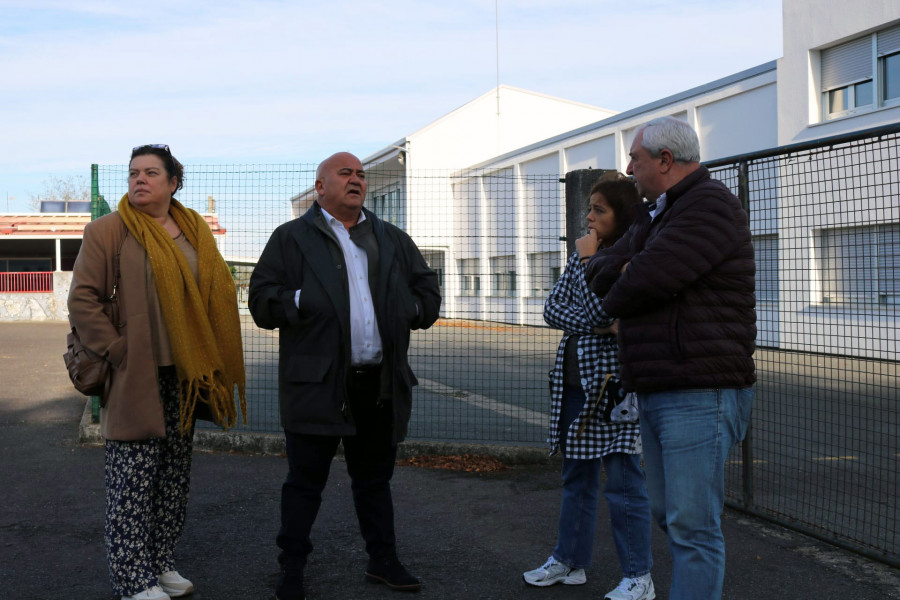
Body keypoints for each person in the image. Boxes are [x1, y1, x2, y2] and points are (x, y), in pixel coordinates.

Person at [248, 151, 441, 600]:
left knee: (374, 481)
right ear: (320, 187)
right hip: (317, 383)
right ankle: (291, 568)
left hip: (379, 382)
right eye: (345, 173)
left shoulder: (391, 238)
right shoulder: (291, 238)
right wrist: (300, 300)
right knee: (304, 483)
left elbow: (427, 291)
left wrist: (408, 309)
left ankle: (383, 560)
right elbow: (261, 300)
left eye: (360, 174)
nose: (356, 180)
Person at [584, 116, 756, 600]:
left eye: (635, 158)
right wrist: (628, 267)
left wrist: (628, 272)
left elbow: (641, 282)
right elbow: (603, 267)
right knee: (669, 515)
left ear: (664, 160)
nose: (629, 168)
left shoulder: (709, 206)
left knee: (692, 527)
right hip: (660, 388)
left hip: (701, 392)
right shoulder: (657, 214)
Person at [68, 144, 247, 600]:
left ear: (173, 183)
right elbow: (84, 299)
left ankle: (160, 562)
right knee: (132, 477)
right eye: (133, 173)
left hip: (185, 376)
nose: (139, 180)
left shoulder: (193, 231)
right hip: (135, 372)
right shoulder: (109, 231)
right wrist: (116, 349)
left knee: (172, 476)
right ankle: (132, 579)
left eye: (151, 173)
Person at [523, 174, 655, 600]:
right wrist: (601, 324)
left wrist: (585, 264)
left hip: (614, 390)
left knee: (622, 482)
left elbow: (607, 305)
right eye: (590, 208)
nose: (590, 216)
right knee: (576, 477)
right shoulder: (585, 252)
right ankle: (570, 562)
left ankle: (639, 576)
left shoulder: (634, 255)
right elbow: (552, 310)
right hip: (575, 386)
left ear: (622, 214)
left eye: (599, 209)